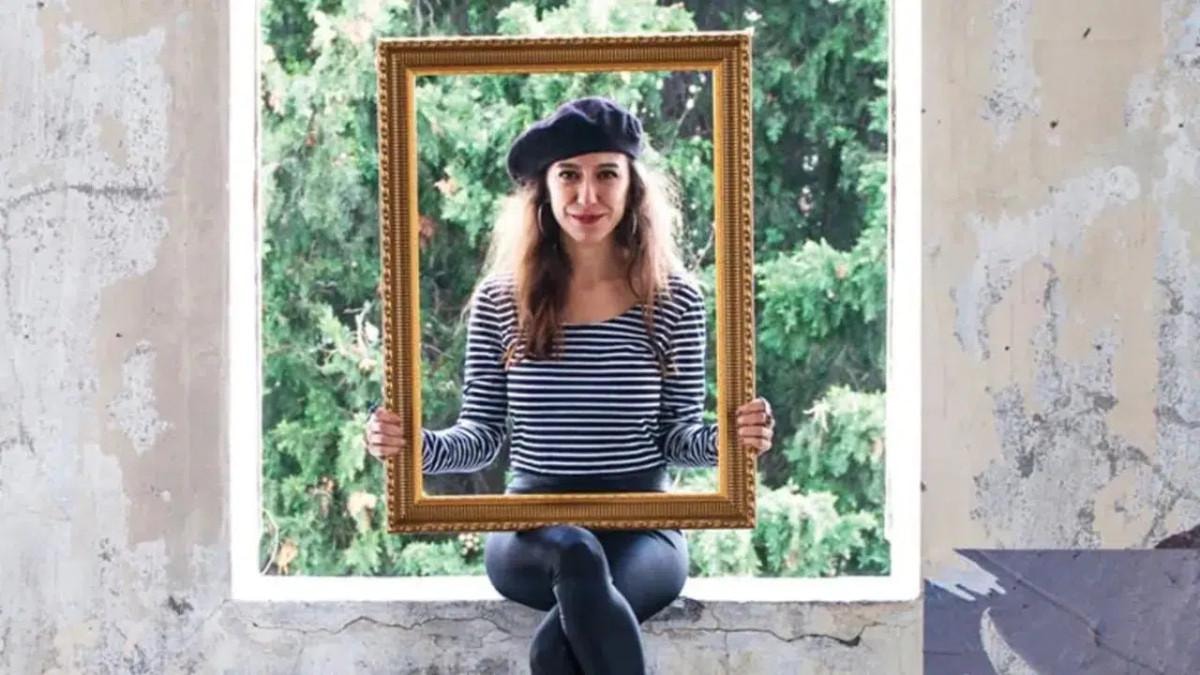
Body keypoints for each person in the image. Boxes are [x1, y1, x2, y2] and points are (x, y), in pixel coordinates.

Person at [366, 96, 775, 675]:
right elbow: (481, 437)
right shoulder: (501, 300)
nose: (587, 196)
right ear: (545, 189)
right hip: (532, 531)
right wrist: (411, 446)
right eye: (569, 176)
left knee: (554, 651)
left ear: (632, 186)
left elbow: (677, 437)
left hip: (644, 529)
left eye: (606, 174)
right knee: (577, 551)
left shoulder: (674, 299)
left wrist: (733, 439)